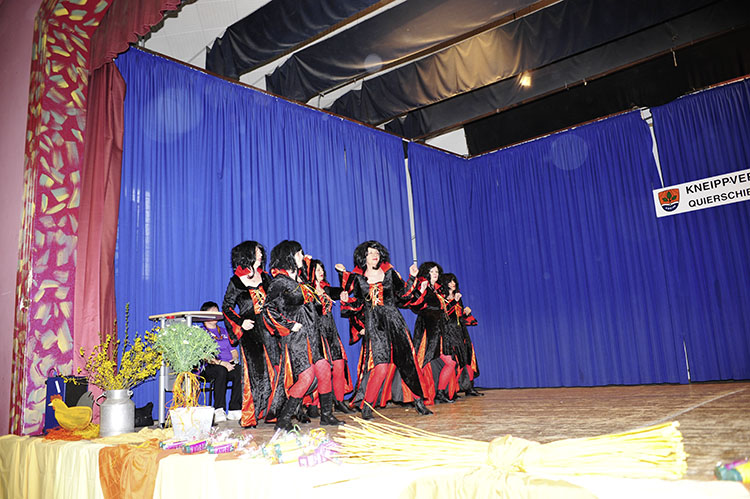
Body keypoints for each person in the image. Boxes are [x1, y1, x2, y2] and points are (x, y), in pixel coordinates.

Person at [337, 240, 432, 420]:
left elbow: (404, 295)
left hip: (395, 322)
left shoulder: (389, 273)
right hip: (374, 325)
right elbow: (357, 305)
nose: (375, 255)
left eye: (377, 252)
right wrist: (345, 301)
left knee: (407, 362)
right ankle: (367, 407)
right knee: (380, 366)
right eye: (370, 253)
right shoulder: (358, 278)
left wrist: (412, 278)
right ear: (364, 257)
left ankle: (419, 401)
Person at [263, 240, 343, 430]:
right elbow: (267, 309)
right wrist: (289, 325)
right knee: (306, 376)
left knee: (324, 369)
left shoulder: (301, 280)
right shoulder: (279, 282)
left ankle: (326, 415)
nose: (302, 256)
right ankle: (283, 419)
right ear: (289, 256)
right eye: (299, 253)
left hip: (314, 335)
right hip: (297, 338)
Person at [222, 241, 277, 428]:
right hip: (250, 331)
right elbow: (227, 307)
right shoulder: (236, 281)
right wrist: (240, 322)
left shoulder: (266, 278)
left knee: (274, 370)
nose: (261, 254)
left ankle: (272, 412)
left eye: (261, 251)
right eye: (257, 251)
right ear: (248, 254)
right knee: (254, 374)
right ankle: (250, 415)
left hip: (269, 329)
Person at [309, 259, 353, 414]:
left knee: (339, 365)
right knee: (320, 370)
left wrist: (342, 273)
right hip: (316, 334)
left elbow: (343, 290)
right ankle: (314, 404)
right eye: (317, 269)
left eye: (322, 269)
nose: (321, 272)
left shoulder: (326, 288)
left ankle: (339, 401)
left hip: (331, 332)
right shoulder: (306, 291)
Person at [410, 261, 457, 404]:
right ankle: (417, 396)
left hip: (439, 330)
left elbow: (444, 311)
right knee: (422, 362)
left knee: (450, 363)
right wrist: (420, 291)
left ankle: (440, 393)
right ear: (426, 273)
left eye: (436, 271)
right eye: (431, 271)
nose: (435, 274)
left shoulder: (438, 290)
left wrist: (453, 302)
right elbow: (414, 306)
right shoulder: (423, 286)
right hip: (427, 329)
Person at [438, 273, 482, 397]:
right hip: (449, 332)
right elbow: (444, 315)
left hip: (461, 331)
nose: (453, 284)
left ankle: (469, 387)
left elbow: (458, 316)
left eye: (454, 281)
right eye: (450, 281)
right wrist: (454, 301)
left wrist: (466, 313)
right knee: (454, 360)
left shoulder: (457, 296)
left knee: (467, 357)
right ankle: (451, 390)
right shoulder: (442, 298)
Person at [199, 301, 242, 421]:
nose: (215, 314)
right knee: (221, 371)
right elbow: (204, 356)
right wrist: (222, 363)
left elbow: (234, 351)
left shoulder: (224, 331)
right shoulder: (200, 333)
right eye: (212, 311)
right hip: (210, 366)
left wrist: (234, 360)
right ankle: (219, 409)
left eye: (216, 311)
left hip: (227, 365)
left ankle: (234, 408)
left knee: (240, 371)